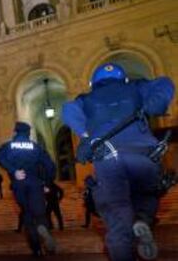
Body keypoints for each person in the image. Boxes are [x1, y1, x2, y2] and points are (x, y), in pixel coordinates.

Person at [62, 63, 175, 261]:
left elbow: (68, 109)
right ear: (123, 78)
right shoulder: (135, 87)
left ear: (93, 83)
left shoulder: (86, 99)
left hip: (109, 158)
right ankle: (142, 220)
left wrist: (87, 135)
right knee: (147, 197)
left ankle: (128, 235)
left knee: (117, 221)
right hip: (144, 156)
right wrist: (153, 104)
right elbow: (165, 83)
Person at [0, 122, 57, 257]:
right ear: (28, 133)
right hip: (35, 183)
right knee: (39, 214)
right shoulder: (36, 147)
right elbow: (50, 166)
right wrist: (47, 183)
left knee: (27, 214)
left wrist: (13, 170)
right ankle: (42, 227)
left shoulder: (8, 146)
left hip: (19, 184)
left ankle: (36, 249)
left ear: (15, 132)